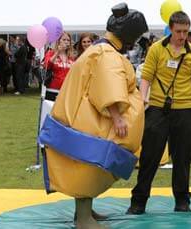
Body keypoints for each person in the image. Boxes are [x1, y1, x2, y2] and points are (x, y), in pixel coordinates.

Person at [38, 3, 148, 229]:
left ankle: (86, 211)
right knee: (88, 164)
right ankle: (83, 218)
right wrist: (118, 118)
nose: (135, 41)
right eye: (135, 36)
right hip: (86, 117)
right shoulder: (106, 53)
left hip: (79, 113)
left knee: (87, 163)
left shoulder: (100, 49)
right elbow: (108, 85)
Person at [127, 11, 191, 214]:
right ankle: (139, 201)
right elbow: (146, 76)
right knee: (149, 157)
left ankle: (182, 201)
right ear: (170, 29)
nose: (182, 35)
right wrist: (142, 97)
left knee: (182, 159)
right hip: (157, 109)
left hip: (184, 110)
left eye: (186, 32)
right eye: (179, 31)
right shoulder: (156, 49)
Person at [43, 32, 74, 101]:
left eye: (68, 40)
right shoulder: (50, 53)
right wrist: (57, 52)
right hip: (52, 89)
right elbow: (47, 66)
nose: (66, 42)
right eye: (64, 39)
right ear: (59, 41)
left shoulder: (71, 57)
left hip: (66, 90)